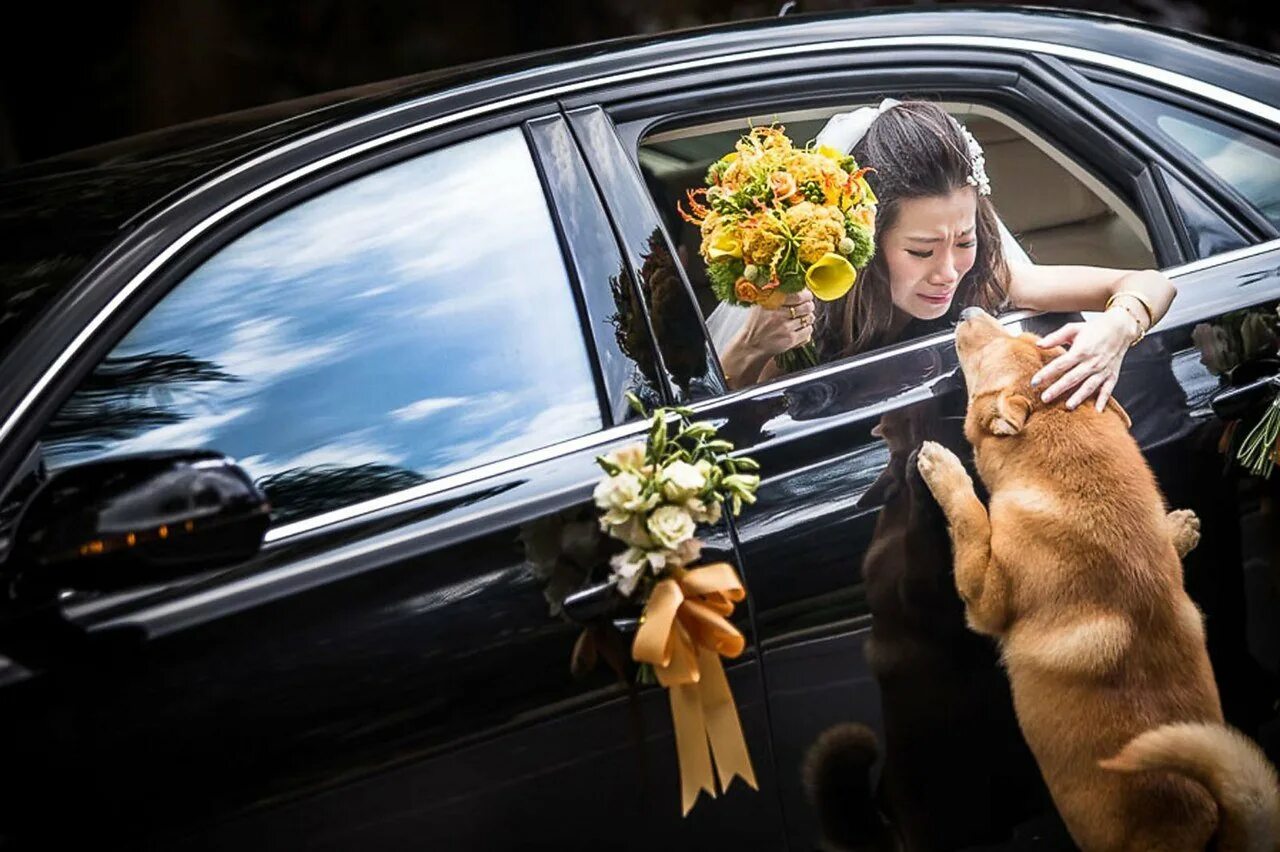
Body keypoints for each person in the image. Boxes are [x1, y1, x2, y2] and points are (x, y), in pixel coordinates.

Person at [713, 99, 1177, 413]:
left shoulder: (986, 278)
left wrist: (1117, 330)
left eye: (965, 240)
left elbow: (1150, 283)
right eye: (921, 251)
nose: (949, 272)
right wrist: (751, 348)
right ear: (868, 246)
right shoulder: (804, 319)